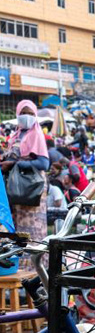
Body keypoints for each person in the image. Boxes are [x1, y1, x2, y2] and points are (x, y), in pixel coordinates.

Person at [1, 100, 49, 268]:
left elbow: (44, 164)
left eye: (30, 113)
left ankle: (35, 271)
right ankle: (18, 268)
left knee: (32, 230)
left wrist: (16, 164)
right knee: (16, 229)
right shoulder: (16, 134)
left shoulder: (36, 134)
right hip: (16, 188)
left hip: (31, 188)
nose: (27, 117)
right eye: (24, 113)